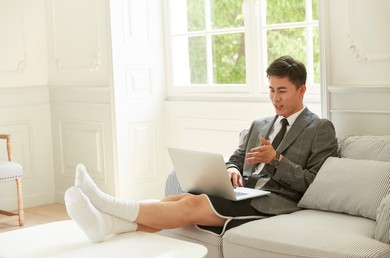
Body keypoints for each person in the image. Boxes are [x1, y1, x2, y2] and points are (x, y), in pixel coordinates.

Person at [65, 55, 338, 242]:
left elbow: (314, 185)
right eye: (271, 90)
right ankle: (105, 225)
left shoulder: (319, 128)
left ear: (302, 90)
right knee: (178, 200)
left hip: (274, 202)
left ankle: (106, 204)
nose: (275, 98)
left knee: (192, 203)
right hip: (243, 192)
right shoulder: (260, 123)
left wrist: (276, 160)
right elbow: (236, 158)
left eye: (282, 91)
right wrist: (231, 170)